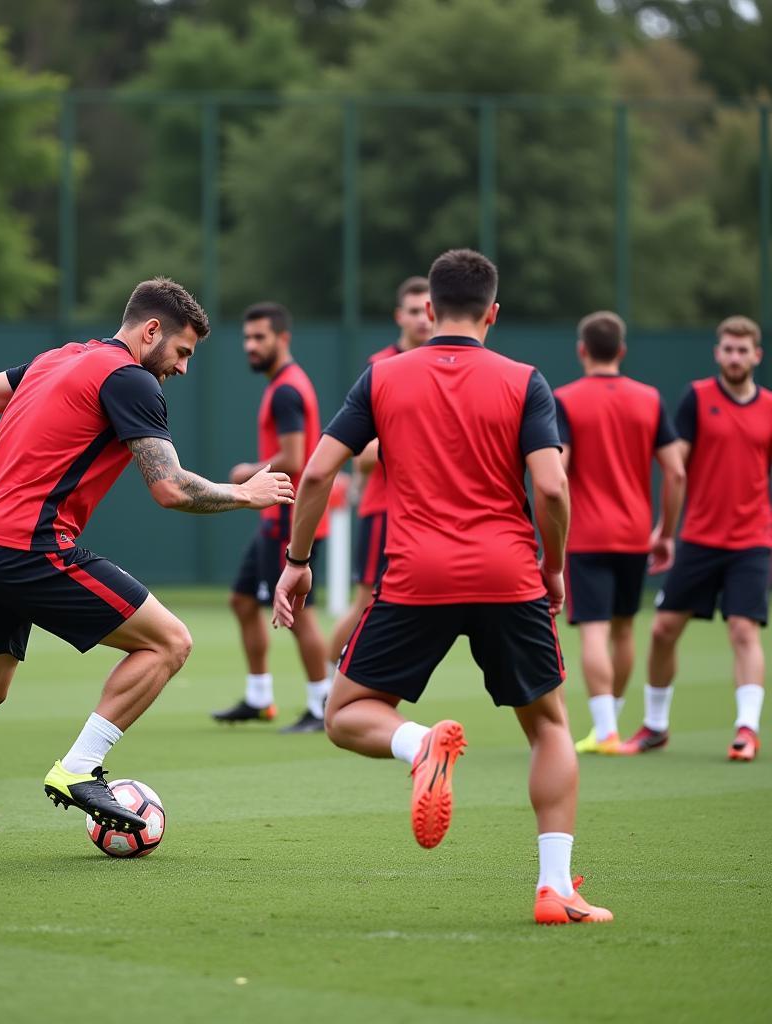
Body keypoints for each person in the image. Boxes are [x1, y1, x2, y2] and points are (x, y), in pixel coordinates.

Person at [0, 278, 293, 864]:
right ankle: (80, 769)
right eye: (182, 352)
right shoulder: (130, 379)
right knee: (170, 643)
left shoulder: (58, 359)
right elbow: (170, 488)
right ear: (151, 331)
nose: (182, 368)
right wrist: (243, 493)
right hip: (27, 546)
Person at [273, 249, 612, 924]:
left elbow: (315, 475)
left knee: (345, 715)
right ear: (492, 313)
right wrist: (553, 566)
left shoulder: (382, 377)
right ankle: (553, 890)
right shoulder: (526, 380)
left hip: (414, 573)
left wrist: (299, 559)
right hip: (508, 572)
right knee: (549, 727)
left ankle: (416, 742)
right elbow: (550, 485)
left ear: (427, 310)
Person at [624, 316, 771, 762]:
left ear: (757, 356)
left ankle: (747, 729)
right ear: (717, 352)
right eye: (727, 348)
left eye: (743, 350)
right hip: (700, 538)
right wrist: (666, 532)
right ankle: (655, 726)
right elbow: (676, 467)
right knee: (663, 629)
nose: (734, 357)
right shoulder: (697, 398)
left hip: (751, 540)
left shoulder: (769, 407)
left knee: (743, 628)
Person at [553, 312, 685, 755]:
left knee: (592, 630)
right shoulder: (648, 398)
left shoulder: (565, 399)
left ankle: (606, 729)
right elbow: (676, 472)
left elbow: (559, 469)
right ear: (622, 351)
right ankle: (613, 722)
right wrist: (665, 531)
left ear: (581, 350)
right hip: (634, 535)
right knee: (624, 629)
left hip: (587, 535)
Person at [213, 302, 330, 734]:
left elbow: (294, 456)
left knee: (299, 615)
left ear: (283, 339)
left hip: (289, 517)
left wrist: (247, 472)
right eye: (247, 337)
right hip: (277, 518)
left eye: (260, 337)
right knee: (242, 601)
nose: (250, 345)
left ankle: (322, 705)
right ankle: (260, 697)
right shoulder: (282, 383)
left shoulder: (286, 389)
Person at [327, 277, 433, 666]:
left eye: (427, 310)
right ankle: (324, 684)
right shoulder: (381, 367)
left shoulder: (442, 364)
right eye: (412, 311)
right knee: (368, 601)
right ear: (398, 317)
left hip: (426, 511)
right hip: (385, 508)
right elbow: (363, 456)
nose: (422, 320)